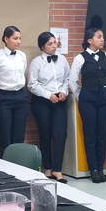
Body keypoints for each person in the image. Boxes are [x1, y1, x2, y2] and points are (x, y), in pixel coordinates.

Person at [70, 28, 106, 184]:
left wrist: (105, 91)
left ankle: (101, 167)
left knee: (102, 134)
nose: (102, 39)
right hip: (88, 97)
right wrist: (81, 96)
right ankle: (93, 168)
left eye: (103, 36)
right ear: (89, 40)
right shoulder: (80, 58)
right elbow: (73, 81)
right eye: (99, 37)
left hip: (104, 96)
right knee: (90, 134)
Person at [27, 32, 70, 183]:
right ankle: (48, 168)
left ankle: (58, 169)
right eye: (50, 44)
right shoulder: (36, 62)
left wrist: (64, 91)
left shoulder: (62, 59)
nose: (54, 46)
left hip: (59, 99)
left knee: (60, 134)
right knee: (45, 134)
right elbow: (32, 84)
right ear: (42, 47)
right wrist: (48, 95)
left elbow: (67, 78)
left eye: (54, 43)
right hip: (42, 101)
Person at [0, 26, 29, 157]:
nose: (18, 41)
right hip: (2, 97)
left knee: (19, 136)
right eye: (15, 38)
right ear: (6, 39)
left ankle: (18, 165)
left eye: (20, 38)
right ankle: (4, 166)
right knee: (4, 136)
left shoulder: (22, 55)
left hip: (21, 96)